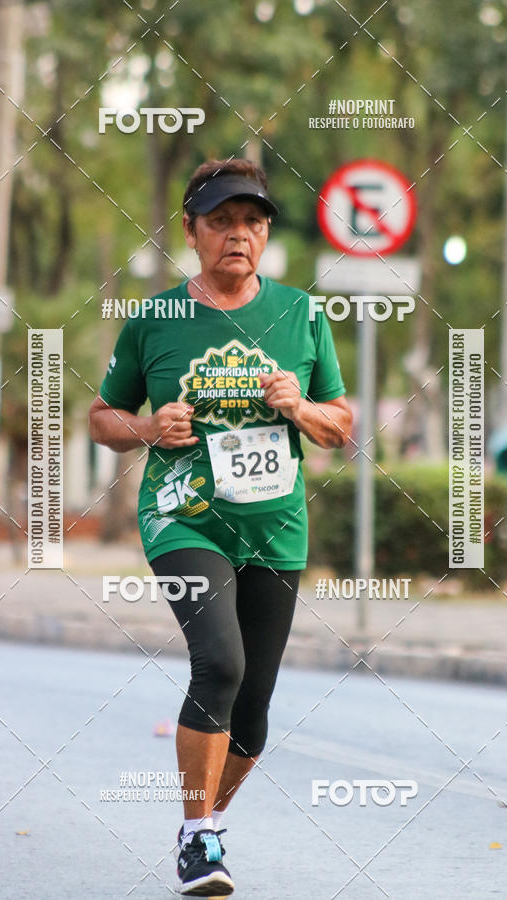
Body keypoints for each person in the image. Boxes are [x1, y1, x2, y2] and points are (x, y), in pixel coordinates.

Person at [88, 158, 352, 896]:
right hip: (183, 519)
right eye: (221, 222)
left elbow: (340, 426)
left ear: (266, 234)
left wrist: (300, 408)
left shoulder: (303, 315)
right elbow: (101, 417)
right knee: (222, 666)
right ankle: (201, 837)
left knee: (254, 717)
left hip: (276, 528)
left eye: (253, 222)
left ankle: (198, 828)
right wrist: (145, 427)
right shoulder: (156, 320)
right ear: (191, 231)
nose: (239, 234)